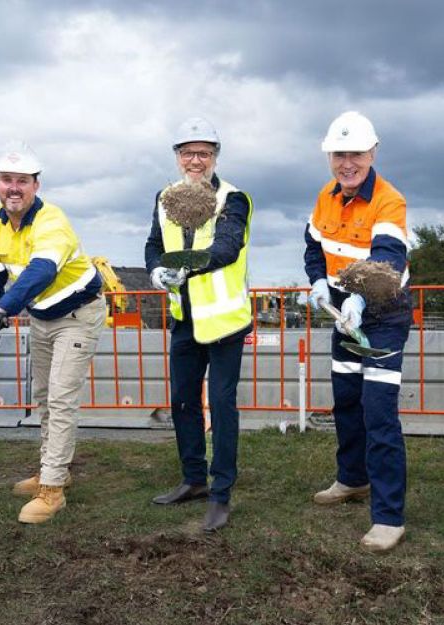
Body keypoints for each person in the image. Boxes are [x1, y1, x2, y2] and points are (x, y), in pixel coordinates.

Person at [0, 142, 106, 524]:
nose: (13, 188)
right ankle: (56, 470)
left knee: (62, 399)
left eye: (22, 181)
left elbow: (41, 272)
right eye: (6, 180)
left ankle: (52, 490)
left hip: (78, 313)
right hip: (42, 317)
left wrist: (2, 311)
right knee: (45, 397)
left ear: (36, 184)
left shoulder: (52, 220)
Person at [304, 111, 412, 553]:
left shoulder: (389, 201)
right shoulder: (325, 197)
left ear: (372, 153)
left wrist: (361, 298)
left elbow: (388, 257)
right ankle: (353, 479)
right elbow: (313, 245)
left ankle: (389, 517)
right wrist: (316, 281)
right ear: (330, 156)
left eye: (356, 154)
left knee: (378, 410)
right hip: (343, 316)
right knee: (347, 401)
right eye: (339, 154)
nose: (347, 162)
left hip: (383, 316)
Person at [144, 117, 254, 532]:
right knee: (183, 402)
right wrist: (157, 271)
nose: (195, 160)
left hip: (224, 321)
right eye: (188, 152)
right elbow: (155, 245)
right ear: (177, 157)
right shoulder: (164, 197)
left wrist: (182, 268)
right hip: (184, 318)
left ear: (215, 157)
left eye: (204, 153)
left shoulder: (233, 198)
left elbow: (226, 247)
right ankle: (193, 479)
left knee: (222, 407)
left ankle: (221, 493)